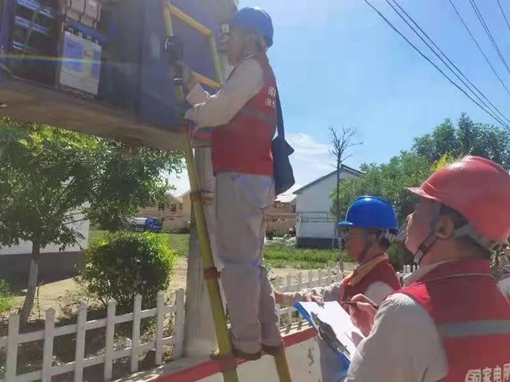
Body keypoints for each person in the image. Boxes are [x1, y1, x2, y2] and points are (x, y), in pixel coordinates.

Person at [347, 156, 510, 382]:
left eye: (420, 204)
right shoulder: (503, 306)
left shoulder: (403, 311)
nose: (410, 216)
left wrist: (367, 347)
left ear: (443, 227)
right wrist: (383, 332)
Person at [182, 7, 281, 360]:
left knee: (238, 264)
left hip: (239, 177)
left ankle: (246, 342)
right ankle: (268, 336)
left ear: (251, 37)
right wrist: (195, 91)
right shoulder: (261, 73)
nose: (228, 39)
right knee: (252, 264)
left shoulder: (251, 68)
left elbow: (218, 112)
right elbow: (223, 105)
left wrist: (191, 111)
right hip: (254, 176)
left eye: (233, 33)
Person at [274, 196, 401, 308]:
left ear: (372, 239)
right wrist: (279, 297)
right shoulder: (366, 273)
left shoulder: (379, 287)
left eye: (351, 233)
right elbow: (328, 293)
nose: (346, 237)